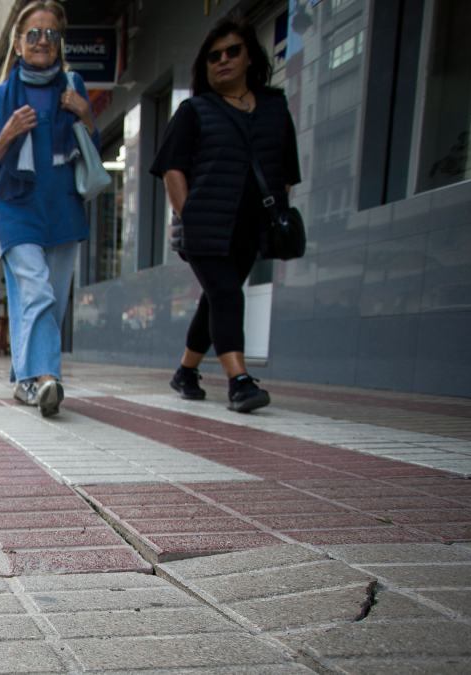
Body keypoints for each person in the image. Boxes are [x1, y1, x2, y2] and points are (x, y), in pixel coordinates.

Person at [150, 14, 300, 413]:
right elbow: (172, 168)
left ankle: (185, 372)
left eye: (233, 51)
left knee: (216, 300)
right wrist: (189, 214)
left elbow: (285, 170)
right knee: (227, 294)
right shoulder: (195, 110)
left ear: (250, 56)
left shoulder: (274, 108)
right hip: (205, 225)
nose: (223, 60)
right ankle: (240, 381)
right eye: (214, 56)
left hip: (251, 225)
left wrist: (275, 214)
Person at [0, 1, 99, 417]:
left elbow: (92, 150)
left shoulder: (73, 85)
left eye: (52, 34)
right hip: (15, 207)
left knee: (49, 302)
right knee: (37, 292)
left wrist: (85, 115)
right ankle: (47, 380)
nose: (43, 41)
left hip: (63, 208)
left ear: (60, 42)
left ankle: (25, 380)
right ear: (18, 43)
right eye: (34, 34)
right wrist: (5, 136)